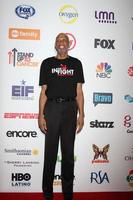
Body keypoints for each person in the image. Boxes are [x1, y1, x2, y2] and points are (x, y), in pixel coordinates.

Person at [38, 33, 85, 200]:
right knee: (50, 154)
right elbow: (43, 92)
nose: (61, 42)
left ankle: (68, 194)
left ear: (69, 43)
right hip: (51, 108)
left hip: (70, 109)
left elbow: (79, 92)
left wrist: (82, 115)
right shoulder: (47, 64)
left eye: (64, 40)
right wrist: (40, 115)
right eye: (58, 40)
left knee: (68, 154)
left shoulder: (76, 64)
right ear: (55, 44)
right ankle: (48, 194)